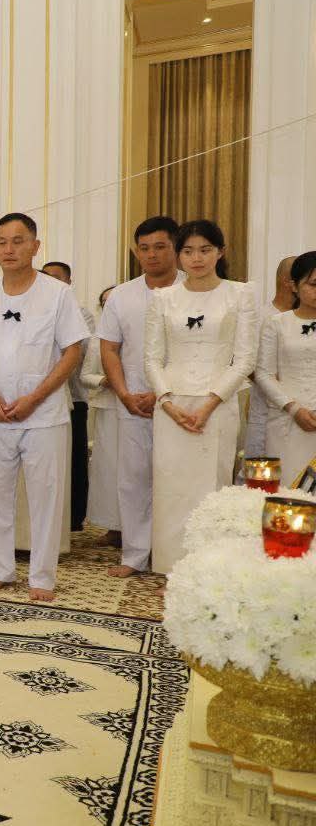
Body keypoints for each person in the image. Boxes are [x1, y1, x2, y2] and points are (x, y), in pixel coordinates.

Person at [0, 213, 89, 602]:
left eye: (18, 241)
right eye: (2, 242)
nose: (9, 249)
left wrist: (35, 397)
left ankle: (42, 576)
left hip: (43, 414)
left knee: (46, 497)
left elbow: (72, 351)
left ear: (35, 246)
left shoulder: (57, 294)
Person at [144, 219, 257, 576]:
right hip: (172, 405)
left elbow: (245, 360)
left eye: (205, 250)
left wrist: (210, 402)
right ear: (178, 255)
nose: (197, 258)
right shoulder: (163, 297)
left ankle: (207, 570)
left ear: (220, 252)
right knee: (171, 488)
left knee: (212, 487)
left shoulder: (240, 294)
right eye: (188, 251)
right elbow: (152, 358)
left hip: (218, 404)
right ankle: (169, 567)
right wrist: (166, 401)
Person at [97, 216, 183, 578]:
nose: (151, 255)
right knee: (133, 479)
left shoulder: (192, 289)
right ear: (136, 252)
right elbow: (109, 348)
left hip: (181, 400)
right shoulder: (122, 295)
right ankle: (134, 555)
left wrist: (163, 394)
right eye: (144, 248)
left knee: (176, 479)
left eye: (160, 247)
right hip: (131, 400)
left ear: (176, 248)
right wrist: (124, 393)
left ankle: (175, 556)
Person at [254, 251, 316, 489]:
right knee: (287, 490)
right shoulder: (277, 323)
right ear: (294, 285)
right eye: (313, 284)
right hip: (287, 418)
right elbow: (263, 374)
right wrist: (294, 409)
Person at [42, 261, 92, 531]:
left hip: (74, 396)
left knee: (74, 460)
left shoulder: (82, 314)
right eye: (46, 277)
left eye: (57, 278)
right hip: (38, 400)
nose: (50, 282)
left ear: (69, 282)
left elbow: (80, 352)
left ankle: (74, 517)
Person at [245, 256, 298, 457]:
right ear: (288, 282)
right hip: (265, 412)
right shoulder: (259, 316)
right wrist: (274, 383)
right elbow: (245, 362)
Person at [82, 286, 122, 547]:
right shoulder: (97, 339)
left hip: (140, 407)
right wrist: (104, 380)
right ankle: (113, 527)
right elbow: (85, 375)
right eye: (105, 303)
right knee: (108, 468)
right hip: (108, 407)